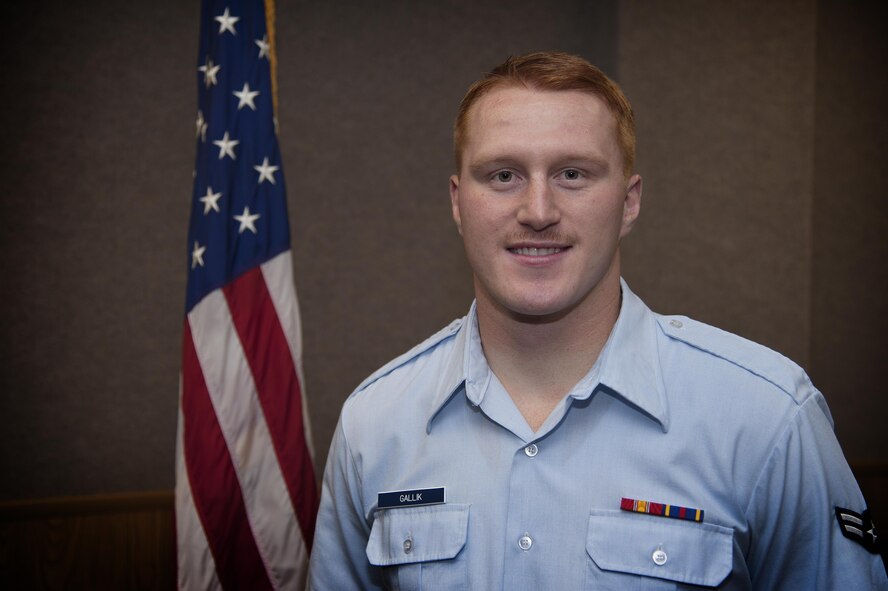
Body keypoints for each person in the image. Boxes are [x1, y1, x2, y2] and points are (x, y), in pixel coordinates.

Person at [308, 51, 886, 590]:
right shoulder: (374, 424)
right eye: (503, 175)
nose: (537, 212)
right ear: (459, 203)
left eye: (574, 174)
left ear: (629, 202)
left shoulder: (768, 419)